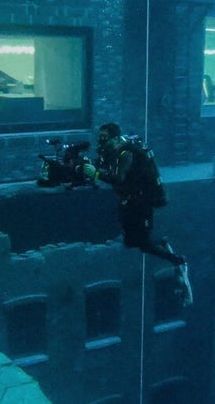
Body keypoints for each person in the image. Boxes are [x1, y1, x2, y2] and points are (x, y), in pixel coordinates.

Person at [81, 123, 192, 305]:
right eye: (100, 136)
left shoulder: (126, 153)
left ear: (115, 138)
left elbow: (118, 178)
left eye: (104, 137)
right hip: (130, 203)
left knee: (143, 244)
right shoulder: (112, 151)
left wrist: (96, 174)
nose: (101, 140)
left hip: (140, 203)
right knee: (131, 241)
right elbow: (106, 168)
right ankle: (161, 243)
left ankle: (178, 261)